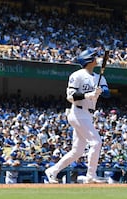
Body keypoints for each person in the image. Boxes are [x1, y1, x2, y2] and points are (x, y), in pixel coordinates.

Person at [44, 48, 110, 184]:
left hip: (88, 114)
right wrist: (87, 95)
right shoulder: (77, 75)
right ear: (88, 60)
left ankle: (52, 171)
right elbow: (70, 96)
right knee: (96, 142)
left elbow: (108, 93)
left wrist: (101, 90)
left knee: (77, 151)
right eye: (93, 57)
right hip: (78, 112)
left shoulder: (99, 77)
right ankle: (90, 176)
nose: (96, 59)